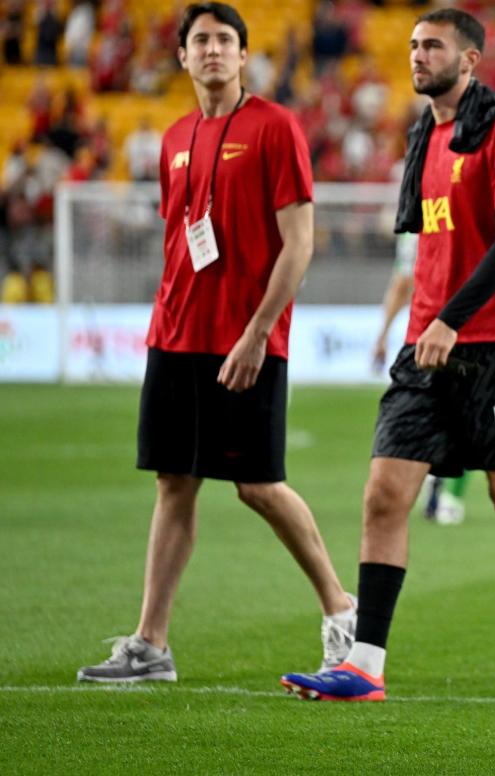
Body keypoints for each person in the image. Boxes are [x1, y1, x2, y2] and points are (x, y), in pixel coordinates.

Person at [280, 7, 495, 703]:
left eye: (432, 46)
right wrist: (421, 323)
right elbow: (428, 246)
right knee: (384, 494)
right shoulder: (425, 134)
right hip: (425, 345)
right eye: (412, 45)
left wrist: (451, 317)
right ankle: (364, 666)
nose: (416, 55)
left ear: (469, 59)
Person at [77, 2, 356, 684]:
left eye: (223, 40)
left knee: (258, 486)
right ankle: (151, 645)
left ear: (242, 55)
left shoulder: (274, 127)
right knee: (174, 483)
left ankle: (343, 612)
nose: (211, 50)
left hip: (246, 339)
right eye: (199, 39)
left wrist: (258, 331)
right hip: (175, 335)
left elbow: (300, 242)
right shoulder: (173, 138)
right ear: (181, 55)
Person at [371, 232, 470, 527]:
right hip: (465, 331)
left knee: (429, 415)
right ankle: (448, 493)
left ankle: (428, 477)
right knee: (464, 417)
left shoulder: (414, 232)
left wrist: (383, 334)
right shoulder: (464, 214)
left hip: (422, 336)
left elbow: (402, 284)